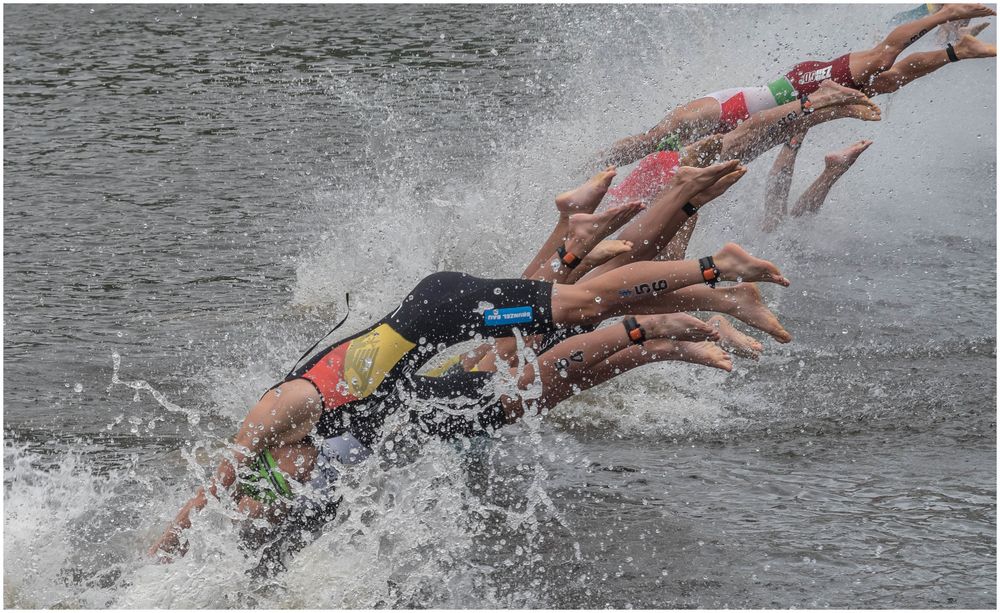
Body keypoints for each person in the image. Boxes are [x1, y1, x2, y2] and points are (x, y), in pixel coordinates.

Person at [148, 171, 793, 562]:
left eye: (290, 477)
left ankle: (718, 270)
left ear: (276, 458)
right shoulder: (326, 454)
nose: (305, 479)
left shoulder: (282, 411)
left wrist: (167, 547)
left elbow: (210, 491)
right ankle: (584, 242)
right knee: (529, 362)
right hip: (432, 365)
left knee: (572, 307)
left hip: (439, 309)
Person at [602, 4, 996, 168]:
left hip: (792, 88)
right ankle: (956, 51)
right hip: (795, 108)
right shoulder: (702, 158)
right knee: (888, 82)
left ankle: (944, 12)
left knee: (880, 60)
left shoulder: (701, 115)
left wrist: (598, 163)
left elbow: (653, 138)